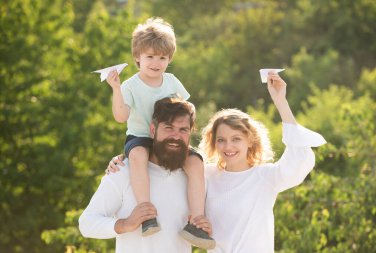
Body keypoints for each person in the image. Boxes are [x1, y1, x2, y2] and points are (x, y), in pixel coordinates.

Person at [105, 17, 212, 246]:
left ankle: (196, 221)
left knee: (195, 162)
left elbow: (187, 107)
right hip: (141, 137)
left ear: (169, 59)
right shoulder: (131, 85)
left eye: (162, 58)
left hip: (168, 136)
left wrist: (187, 113)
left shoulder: (171, 81)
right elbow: (121, 116)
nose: (156, 62)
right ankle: (147, 214)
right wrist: (116, 88)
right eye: (150, 57)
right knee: (138, 156)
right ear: (138, 57)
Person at [193, 72, 327, 252]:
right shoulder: (207, 175)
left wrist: (281, 102)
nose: (228, 146)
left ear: (250, 141)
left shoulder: (265, 177)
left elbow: (299, 158)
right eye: (221, 140)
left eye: (236, 139)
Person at [79, 97, 216, 252]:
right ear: (153, 130)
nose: (176, 136)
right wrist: (125, 224)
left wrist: (204, 225)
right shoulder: (123, 171)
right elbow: (87, 223)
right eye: (168, 128)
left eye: (183, 130)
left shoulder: (196, 178)